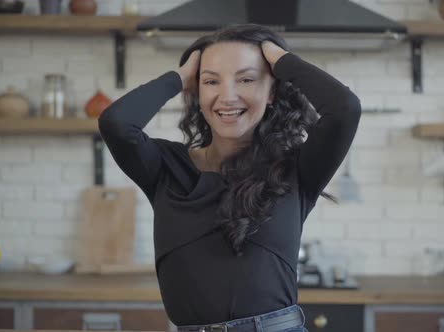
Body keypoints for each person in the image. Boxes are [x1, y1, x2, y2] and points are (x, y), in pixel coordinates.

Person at [98, 24, 361, 332]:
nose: (227, 96)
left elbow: (345, 109)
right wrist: (180, 78)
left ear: (272, 90)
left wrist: (280, 59)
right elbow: (116, 123)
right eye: (211, 81)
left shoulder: (297, 168)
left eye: (247, 79)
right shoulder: (165, 168)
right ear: (197, 91)